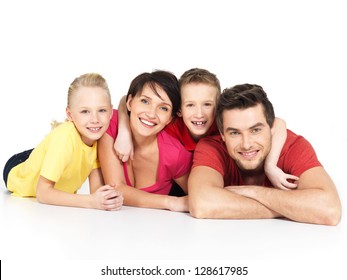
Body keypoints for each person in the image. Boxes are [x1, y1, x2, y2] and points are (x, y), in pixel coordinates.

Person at [115, 68, 297, 192]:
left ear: (218, 107)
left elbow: (278, 123)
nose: (199, 114)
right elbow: (126, 99)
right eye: (190, 105)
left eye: (207, 105)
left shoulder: (225, 127)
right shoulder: (171, 121)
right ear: (178, 110)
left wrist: (270, 166)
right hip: (179, 187)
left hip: (221, 184)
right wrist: (123, 132)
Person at [188, 83, 342, 225]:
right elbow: (202, 203)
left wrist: (253, 192)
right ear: (222, 134)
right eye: (234, 133)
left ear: (272, 128)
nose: (246, 144)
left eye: (255, 130)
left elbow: (329, 210)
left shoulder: (293, 146)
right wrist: (293, 208)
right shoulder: (212, 147)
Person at [3, 73, 123, 210]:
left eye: (102, 110)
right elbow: (43, 193)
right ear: (70, 114)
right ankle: (47, 147)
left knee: (58, 147)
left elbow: (96, 191)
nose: (95, 119)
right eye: (85, 111)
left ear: (111, 113)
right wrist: (90, 202)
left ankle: (47, 147)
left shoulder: (99, 138)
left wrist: (108, 199)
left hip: (60, 147)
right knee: (59, 142)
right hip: (17, 166)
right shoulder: (64, 138)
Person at [97, 70, 192, 212]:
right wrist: (170, 202)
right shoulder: (111, 125)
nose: (151, 114)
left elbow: (200, 195)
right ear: (129, 103)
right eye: (145, 101)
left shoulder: (175, 154)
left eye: (163, 108)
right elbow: (115, 189)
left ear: (170, 119)